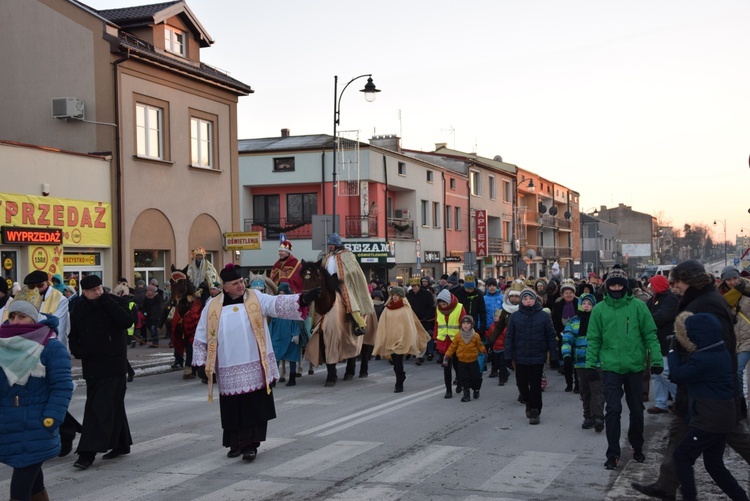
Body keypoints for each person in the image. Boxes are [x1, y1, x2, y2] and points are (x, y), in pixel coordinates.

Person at [632, 260, 750, 500]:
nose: (674, 287)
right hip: (701, 389)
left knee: (731, 438)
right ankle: (666, 485)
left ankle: (676, 489)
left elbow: (719, 345)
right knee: (683, 438)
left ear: (690, 280)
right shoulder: (701, 299)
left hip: (711, 392)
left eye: (677, 282)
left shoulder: (708, 303)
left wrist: (679, 350)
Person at [192, 264, 319, 461]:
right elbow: (201, 333)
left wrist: (303, 298)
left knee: (253, 407)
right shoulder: (212, 305)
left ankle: (251, 445)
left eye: (242, 282)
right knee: (232, 408)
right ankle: (236, 443)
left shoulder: (255, 298)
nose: (241, 286)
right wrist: (201, 363)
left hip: (255, 362)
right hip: (227, 366)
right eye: (235, 283)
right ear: (225, 286)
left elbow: (277, 304)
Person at [585, 267, 662, 470]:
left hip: (635, 367)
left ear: (626, 286)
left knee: (636, 410)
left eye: (620, 284)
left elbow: (650, 335)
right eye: (612, 285)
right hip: (610, 367)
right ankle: (613, 454)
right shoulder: (599, 309)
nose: (616, 288)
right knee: (613, 410)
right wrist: (590, 364)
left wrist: (656, 361)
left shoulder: (638, 307)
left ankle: (637, 447)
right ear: (607, 287)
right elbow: (593, 339)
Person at [668, 312, 750, 501]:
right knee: (713, 464)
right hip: (721, 415)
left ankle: (690, 497)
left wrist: (673, 349)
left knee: (682, 456)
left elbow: (677, 374)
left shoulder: (705, 358)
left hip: (710, 419)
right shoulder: (719, 350)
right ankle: (740, 497)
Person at [0, 292, 74, 501]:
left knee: (19, 490)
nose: (15, 321)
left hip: (37, 425)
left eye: (21, 317)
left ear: (33, 318)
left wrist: (51, 418)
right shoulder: (2, 345)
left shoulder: (50, 347)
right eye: (12, 316)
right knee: (34, 482)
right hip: (7, 425)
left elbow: (62, 386)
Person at [68, 275, 134, 469]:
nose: (97, 292)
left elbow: (126, 322)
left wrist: (107, 300)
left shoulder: (114, 302)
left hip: (114, 364)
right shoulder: (79, 307)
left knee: (99, 408)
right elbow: (74, 334)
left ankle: (87, 453)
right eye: (92, 290)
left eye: (99, 288)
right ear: (84, 293)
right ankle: (121, 443)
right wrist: (77, 350)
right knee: (112, 405)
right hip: (92, 365)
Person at [505, 287, 558, 425]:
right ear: (521, 301)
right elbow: (509, 337)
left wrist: (554, 356)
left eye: (530, 299)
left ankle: (535, 411)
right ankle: (528, 402)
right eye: (525, 299)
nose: (528, 301)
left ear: (535, 300)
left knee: (535, 386)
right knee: (521, 384)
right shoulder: (515, 316)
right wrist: (508, 356)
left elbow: (551, 336)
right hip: (520, 356)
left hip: (537, 356)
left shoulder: (543, 316)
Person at [372, 286, 430, 393]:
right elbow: (383, 324)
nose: (394, 297)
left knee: (398, 363)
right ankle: (401, 375)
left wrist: (406, 337)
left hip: (401, 340)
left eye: (397, 295)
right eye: (393, 295)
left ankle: (399, 384)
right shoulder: (387, 308)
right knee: (395, 363)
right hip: (390, 339)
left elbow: (409, 325)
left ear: (401, 296)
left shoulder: (405, 309)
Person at [562, 293, 604, 432]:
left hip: (597, 362)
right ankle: (588, 416)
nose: (586, 306)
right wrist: (566, 355)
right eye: (584, 303)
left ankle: (598, 416)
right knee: (585, 391)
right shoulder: (573, 321)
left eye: (589, 304)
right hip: (580, 362)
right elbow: (567, 338)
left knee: (597, 389)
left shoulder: (599, 320)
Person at [323, 233, 374, 335]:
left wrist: (340, 276)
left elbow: (354, 270)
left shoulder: (347, 255)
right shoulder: (328, 256)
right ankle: (314, 324)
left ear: (337, 244)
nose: (330, 246)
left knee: (350, 300)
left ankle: (359, 324)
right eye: (329, 244)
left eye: (332, 244)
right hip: (329, 283)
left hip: (343, 283)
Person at [646, 274, 679, 414]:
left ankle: (679, 399)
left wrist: (645, 322)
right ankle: (661, 403)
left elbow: (663, 317)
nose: (650, 288)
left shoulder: (670, 299)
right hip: (654, 341)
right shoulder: (653, 300)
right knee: (655, 373)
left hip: (665, 341)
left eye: (652, 285)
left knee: (665, 372)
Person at [718, 265, 750, 400]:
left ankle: (741, 403)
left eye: (735, 278)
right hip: (731, 340)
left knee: (738, 371)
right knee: (732, 373)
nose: (732, 282)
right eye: (729, 279)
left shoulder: (748, 292)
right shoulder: (720, 296)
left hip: (747, 338)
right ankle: (739, 402)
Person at [269, 283, 307, 387]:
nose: (281, 296)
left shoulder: (293, 306)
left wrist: (295, 334)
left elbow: (296, 321)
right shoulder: (274, 306)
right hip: (277, 336)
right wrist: (269, 335)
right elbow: (272, 322)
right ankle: (273, 380)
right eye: (280, 293)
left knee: (292, 357)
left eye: (283, 293)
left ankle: (292, 378)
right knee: (275, 357)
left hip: (290, 337)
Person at [443, 315, 486, 402]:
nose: (465, 325)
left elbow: (479, 345)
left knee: (475, 378)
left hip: (473, 361)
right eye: (463, 323)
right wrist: (447, 355)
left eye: (468, 323)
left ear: (472, 325)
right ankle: (466, 394)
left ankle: (476, 389)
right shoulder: (458, 336)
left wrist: (484, 350)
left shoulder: (475, 336)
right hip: (462, 361)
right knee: (464, 378)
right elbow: (453, 347)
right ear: (461, 325)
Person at [434, 289, 466, 398]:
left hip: (456, 341)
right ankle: (448, 390)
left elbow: (464, 324)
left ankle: (460, 381)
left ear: (449, 301)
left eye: (444, 304)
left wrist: (464, 339)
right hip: (443, 342)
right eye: (440, 304)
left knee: (457, 365)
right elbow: (437, 324)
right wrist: (435, 338)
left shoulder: (459, 307)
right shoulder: (438, 309)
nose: (442, 306)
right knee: (446, 367)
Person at [551, 278, 579, 392]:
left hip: (577, 337)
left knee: (577, 362)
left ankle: (577, 384)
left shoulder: (579, 303)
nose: (569, 295)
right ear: (562, 294)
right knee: (567, 362)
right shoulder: (558, 305)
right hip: (563, 336)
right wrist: (559, 333)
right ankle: (568, 383)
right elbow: (555, 321)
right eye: (566, 293)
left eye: (571, 292)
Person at [406, 276, 436, 364]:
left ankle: (423, 355)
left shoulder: (427, 294)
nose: (414, 287)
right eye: (412, 286)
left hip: (424, 320)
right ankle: (417, 354)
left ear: (419, 286)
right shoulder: (409, 295)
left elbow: (432, 307)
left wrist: (427, 317)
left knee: (424, 337)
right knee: (415, 338)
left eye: (415, 286)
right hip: (413, 320)